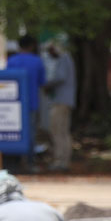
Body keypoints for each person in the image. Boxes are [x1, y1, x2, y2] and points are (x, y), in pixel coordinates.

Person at [4, 34, 47, 172]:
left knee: (14, 133)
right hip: (31, 103)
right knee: (30, 134)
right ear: (32, 46)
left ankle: (13, 163)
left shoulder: (11, 61)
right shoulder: (37, 61)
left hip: (13, 105)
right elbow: (42, 82)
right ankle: (29, 163)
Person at [41, 37, 76, 172]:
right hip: (65, 101)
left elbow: (60, 77)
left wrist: (47, 84)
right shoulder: (67, 58)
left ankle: (60, 161)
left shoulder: (63, 58)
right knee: (63, 132)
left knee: (58, 131)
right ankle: (63, 160)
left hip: (61, 101)